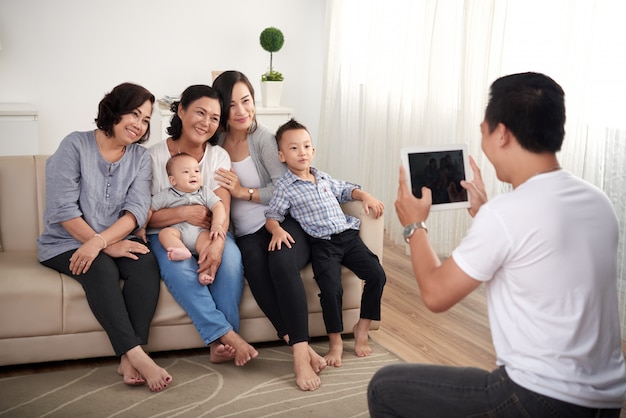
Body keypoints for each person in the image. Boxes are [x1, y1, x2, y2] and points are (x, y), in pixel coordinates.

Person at [368, 72, 626, 417]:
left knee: (385, 388)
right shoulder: (598, 201)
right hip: (606, 402)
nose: (484, 142)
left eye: (483, 131)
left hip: (537, 399)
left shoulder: (508, 214)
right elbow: (541, 253)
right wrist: (488, 213)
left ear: (502, 133)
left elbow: (435, 293)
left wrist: (414, 225)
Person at [37, 82, 172, 392]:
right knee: (100, 268)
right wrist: (100, 245)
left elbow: (136, 211)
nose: (139, 125)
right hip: (66, 241)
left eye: (146, 120)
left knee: (144, 262)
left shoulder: (139, 158)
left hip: (114, 238)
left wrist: (103, 242)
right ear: (114, 111)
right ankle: (137, 353)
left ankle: (127, 361)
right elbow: (63, 209)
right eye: (134, 114)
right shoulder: (75, 145)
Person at [212, 70, 326, 391]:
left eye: (246, 101)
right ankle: (297, 343)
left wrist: (243, 192)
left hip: (283, 222)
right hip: (247, 233)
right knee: (256, 269)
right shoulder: (216, 143)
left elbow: (282, 187)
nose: (241, 111)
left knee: (279, 262)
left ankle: (300, 357)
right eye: (231, 104)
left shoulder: (263, 139)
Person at [146, 84, 257, 367]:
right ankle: (229, 337)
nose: (206, 123)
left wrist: (218, 243)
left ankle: (220, 348)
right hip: (166, 234)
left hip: (211, 231)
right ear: (181, 111)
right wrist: (185, 212)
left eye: (214, 118)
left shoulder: (219, 156)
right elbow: (145, 217)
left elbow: (222, 206)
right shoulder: (152, 156)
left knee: (229, 263)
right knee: (181, 269)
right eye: (200, 112)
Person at [265, 118, 386, 368]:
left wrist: (365, 195)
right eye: (294, 148)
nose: (302, 152)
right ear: (282, 155)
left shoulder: (323, 177)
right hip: (322, 245)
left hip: (348, 237)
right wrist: (276, 230)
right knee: (331, 290)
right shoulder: (285, 188)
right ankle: (336, 342)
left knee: (377, 274)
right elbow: (272, 216)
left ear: (313, 150)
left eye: (307, 146)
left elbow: (347, 190)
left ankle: (362, 328)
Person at [149, 152, 226, 285]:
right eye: (186, 172)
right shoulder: (166, 194)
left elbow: (219, 207)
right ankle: (180, 250)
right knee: (165, 234)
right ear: (173, 180)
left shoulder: (205, 192)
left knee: (208, 246)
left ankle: (204, 273)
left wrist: (217, 224)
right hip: (178, 232)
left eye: (197, 171)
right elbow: (149, 209)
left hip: (200, 233)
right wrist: (141, 228)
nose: (193, 174)